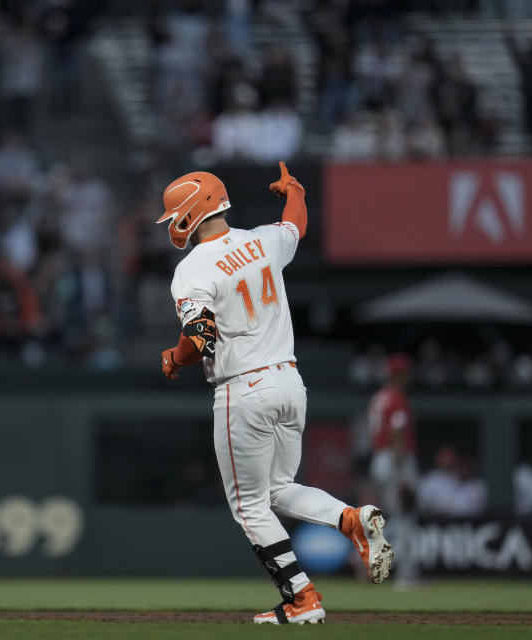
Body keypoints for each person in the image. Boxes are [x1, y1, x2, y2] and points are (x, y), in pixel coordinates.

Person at [158, 164, 392, 625]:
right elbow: (295, 225)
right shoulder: (262, 240)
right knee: (278, 491)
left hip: (243, 388)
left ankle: (302, 599)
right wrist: (296, 190)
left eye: (173, 215)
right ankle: (351, 520)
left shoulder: (194, 267)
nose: (172, 224)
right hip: (289, 381)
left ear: (189, 211)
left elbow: (200, 336)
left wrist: (175, 357)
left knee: (248, 508)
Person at [367, 353, 420, 586]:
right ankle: (404, 574)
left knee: (392, 515)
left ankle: (368, 557)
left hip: (379, 458)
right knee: (404, 516)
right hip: (394, 459)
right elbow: (396, 433)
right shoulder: (397, 398)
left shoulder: (379, 397)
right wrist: (401, 474)